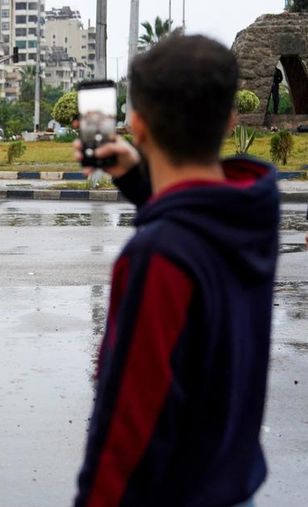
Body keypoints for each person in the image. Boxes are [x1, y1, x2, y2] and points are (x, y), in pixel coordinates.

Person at [73, 35, 279, 506]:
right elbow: (197, 221)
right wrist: (136, 176)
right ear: (231, 119)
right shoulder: (252, 210)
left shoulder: (156, 256)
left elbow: (127, 425)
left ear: (137, 126)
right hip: (233, 482)